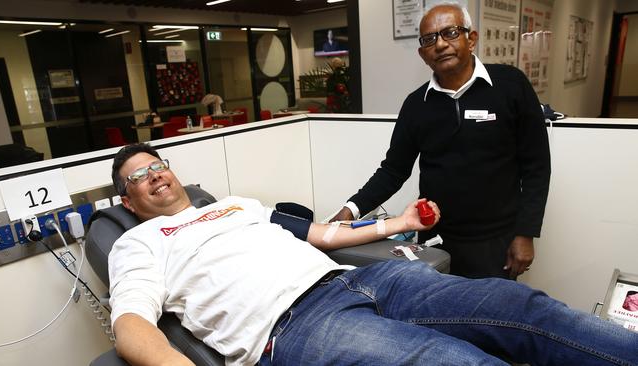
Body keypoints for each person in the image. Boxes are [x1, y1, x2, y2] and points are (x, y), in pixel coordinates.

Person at [108, 143, 638, 366]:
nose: (153, 174)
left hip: (360, 280)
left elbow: (323, 234)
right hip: (292, 326)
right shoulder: (139, 241)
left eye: (157, 164)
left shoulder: (236, 205)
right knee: (459, 363)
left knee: (521, 307)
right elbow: (130, 323)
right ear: (128, 202)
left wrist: (402, 223)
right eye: (137, 176)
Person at [330, 1, 551, 280]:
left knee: (490, 319)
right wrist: (351, 210)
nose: (441, 44)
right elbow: (394, 170)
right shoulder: (416, 105)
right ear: (423, 53)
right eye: (429, 39)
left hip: (497, 241)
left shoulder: (511, 86)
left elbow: (537, 166)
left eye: (450, 33)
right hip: (436, 240)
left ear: (471, 39)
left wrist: (526, 233)